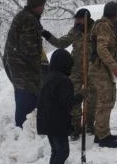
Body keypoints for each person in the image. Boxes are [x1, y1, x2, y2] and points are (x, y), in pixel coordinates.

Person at [42, 8, 98, 140]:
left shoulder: (95, 30)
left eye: (80, 19)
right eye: (76, 19)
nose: (77, 22)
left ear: (86, 19)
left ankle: (90, 124)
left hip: (92, 70)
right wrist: (47, 35)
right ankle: (75, 127)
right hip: (76, 71)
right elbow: (61, 43)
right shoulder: (75, 31)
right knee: (74, 98)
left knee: (92, 99)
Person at [37, 48, 83, 164]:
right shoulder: (64, 81)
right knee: (62, 151)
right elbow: (67, 102)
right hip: (56, 123)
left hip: (47, 121)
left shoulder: (49, 77)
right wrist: (82, 96)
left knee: (56, 151)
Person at [3, 0, 49, 128]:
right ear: (36, 6)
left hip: (16, 62)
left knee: (28, 91)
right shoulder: (29, 20)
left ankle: (27, 124)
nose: (43, 9)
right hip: (21, 65)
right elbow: (29, 49)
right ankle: (22, 126)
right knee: (26, 92)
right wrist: (40, 68)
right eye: (42, 6)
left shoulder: (26, 17)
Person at [89, 2, 117, 148]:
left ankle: (103, 132)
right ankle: (102, 136)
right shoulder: (104, 26)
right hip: (100, 69)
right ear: (116, 14)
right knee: (104, 101)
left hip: (103, 69)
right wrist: (114, 67)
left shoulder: (108, 25)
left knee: (108, 99)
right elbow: (101, 49)